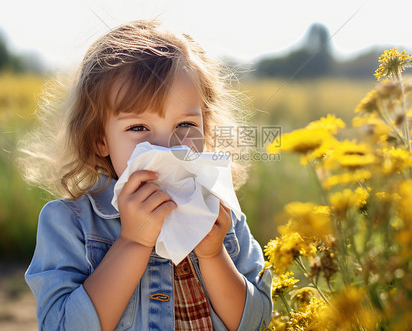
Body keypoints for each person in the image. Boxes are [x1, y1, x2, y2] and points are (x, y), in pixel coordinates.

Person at [19, 20, 272, 331]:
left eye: (185, 126)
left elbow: (257, 322)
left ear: (206, 128)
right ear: (101, 139)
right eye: (138, 128)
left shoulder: (223, 219)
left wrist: (213, 254)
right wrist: (133, 241)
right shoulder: (71, 224)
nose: (167, 147)